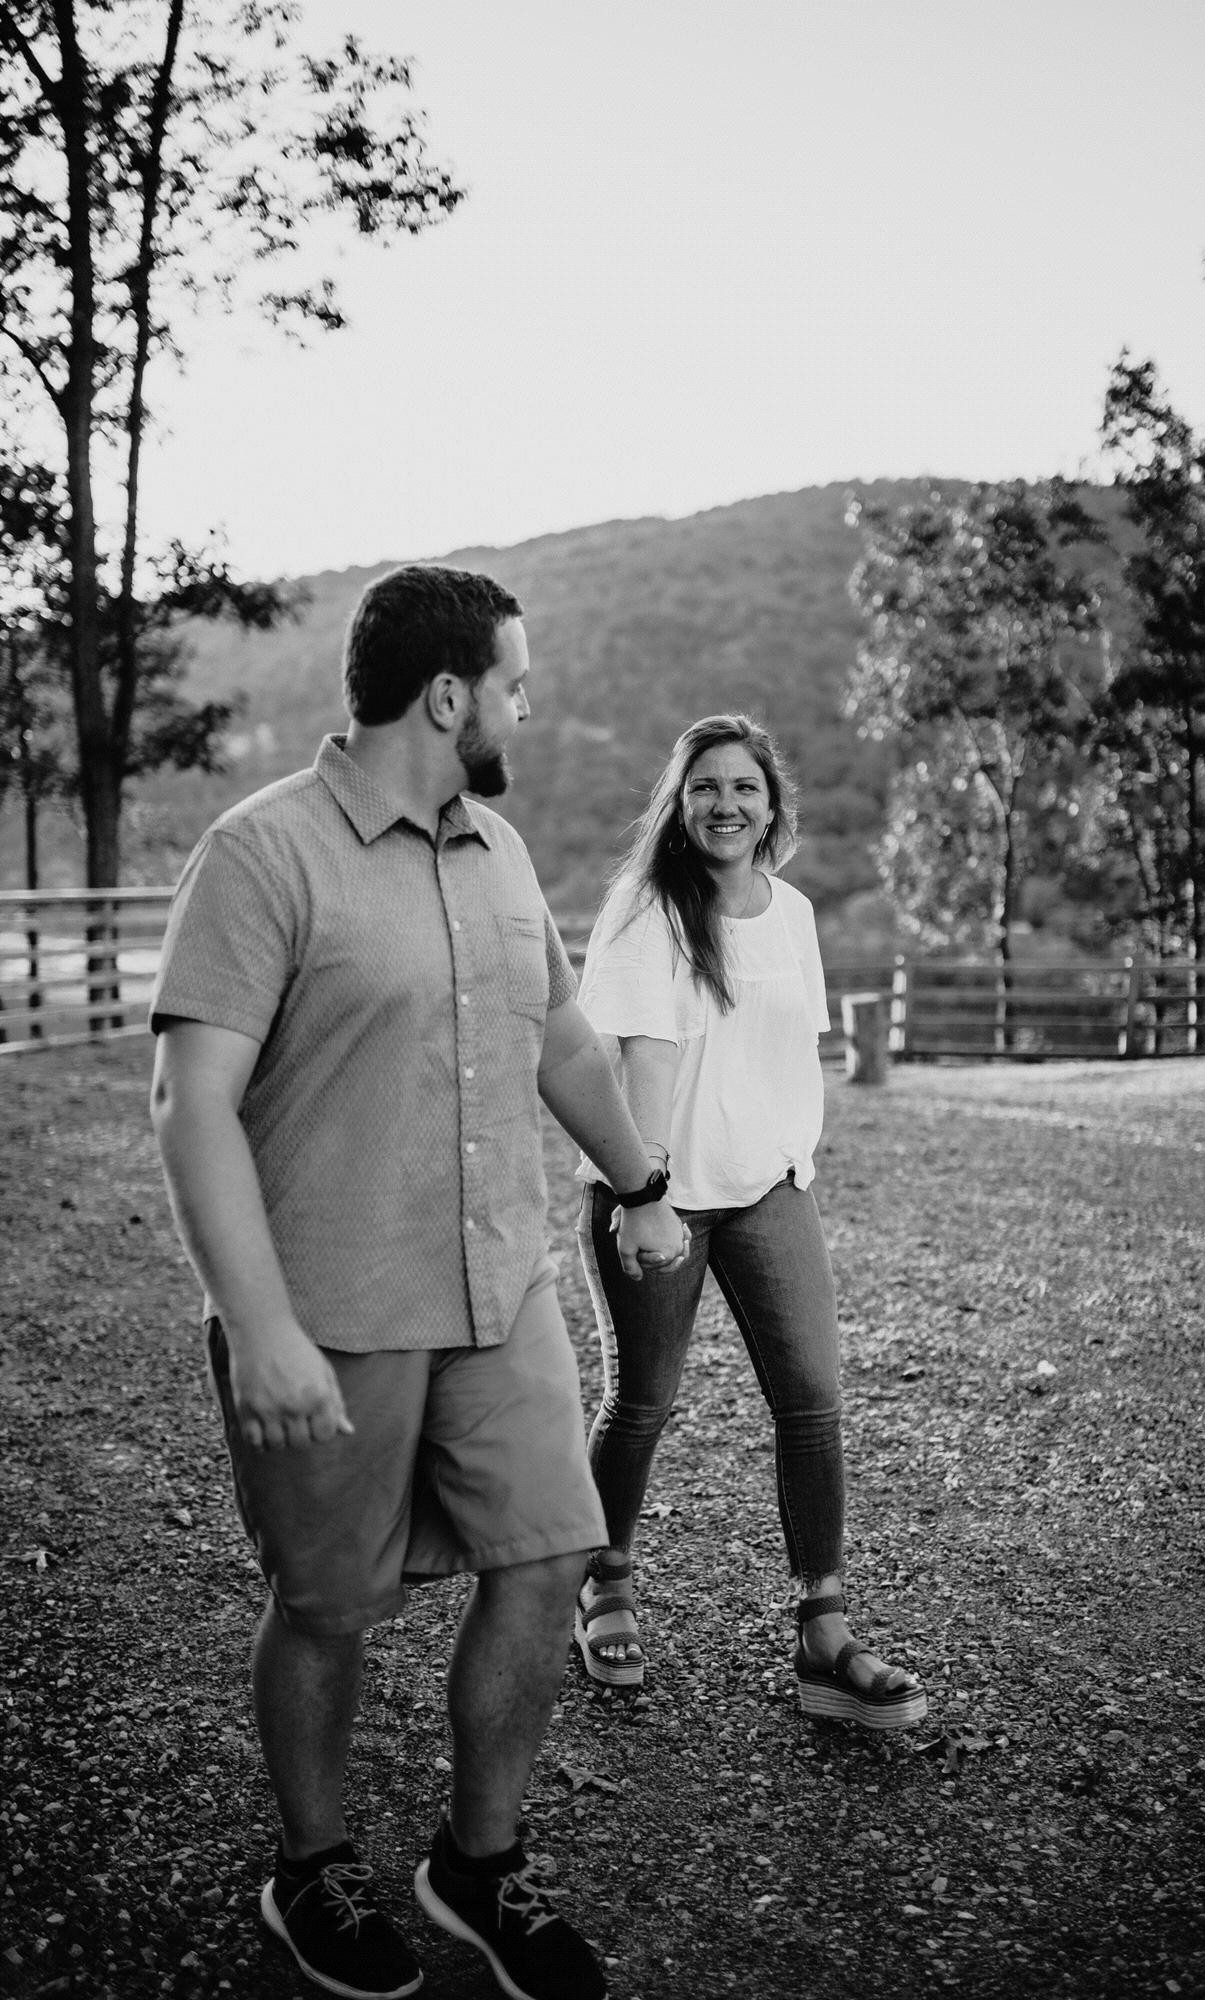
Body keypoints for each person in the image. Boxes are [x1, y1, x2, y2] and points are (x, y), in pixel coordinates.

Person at [148, 565, 688, 2000]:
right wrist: (259, 1327)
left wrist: (641, 1183)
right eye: (513, 683)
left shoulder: (498, 852)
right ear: (448, 696)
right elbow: (190, 1104)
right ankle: (311, 1866)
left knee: (552, 1552)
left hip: (499, 1288)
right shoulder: (261, 853)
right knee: (328, 1605)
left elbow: (558, 1040)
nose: (525, 706)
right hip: (332, 1309)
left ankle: (478, 1863)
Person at [571, 714, 928, 1735]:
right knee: (642, 1399)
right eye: (704, 787)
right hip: (658, 1191)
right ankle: (602, 1578)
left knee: (812, 1401)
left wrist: (789, 1154)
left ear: (771, 805)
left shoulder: (793, 912)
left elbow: (784, 1051)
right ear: (678, 804)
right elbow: (640, 1057)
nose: (724, 804)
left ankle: (823, 1630)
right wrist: (642, 1193)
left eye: (743, 787)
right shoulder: (646, 907)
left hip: (768, 1187)